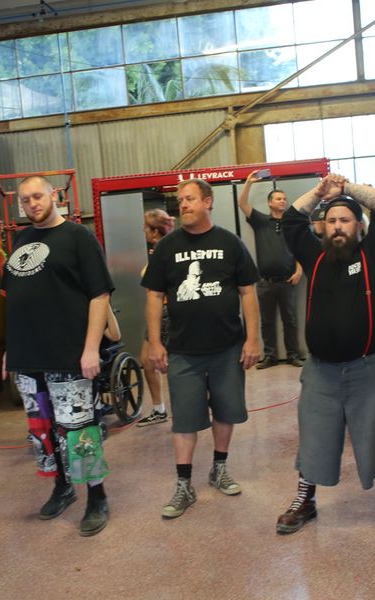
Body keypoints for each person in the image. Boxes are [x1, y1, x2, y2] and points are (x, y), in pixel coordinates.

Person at [276, 173, 375, 536]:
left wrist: (346, 190)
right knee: (314, 435)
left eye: (345, 219)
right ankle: (305, 500)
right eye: (331, 221)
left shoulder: (372, 254)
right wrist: (320, 192)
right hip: (321, 372)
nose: (337, 226)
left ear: (358, 226)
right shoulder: (314, 256)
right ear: (322, 227)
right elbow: (292, 219)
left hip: (369, 369)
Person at [2, 175, 115, 536]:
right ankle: (62, 487)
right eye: (25, 200)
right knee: (44, 430)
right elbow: (15, 299)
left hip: (68, 355)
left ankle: (96, 496)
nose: (32, 204)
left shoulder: (78, 237)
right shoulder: (22, 239)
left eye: (37, 196)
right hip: (28, 357)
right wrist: (10, 348)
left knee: (78, 429)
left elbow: (99, 295)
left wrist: (91, 348)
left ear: (54, 195)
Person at [142, 178, 260, 519]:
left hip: (227, 348)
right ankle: (184, 484)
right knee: (185, 420)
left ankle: (219, 468)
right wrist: (155, 342)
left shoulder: (230, 243)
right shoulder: (167, 247)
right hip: (183, 351)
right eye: (180, 200)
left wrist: (253, 339)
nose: (183, 205)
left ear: (208, 201)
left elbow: (247, 292)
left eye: (190, 199)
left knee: (226, 411)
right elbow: (154, 296)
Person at [238, 171, 304, 369]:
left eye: (284, 199)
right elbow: (242, 204)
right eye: (278, 198)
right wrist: (248, 183)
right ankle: (270, 356)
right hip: (265, 282)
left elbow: (300, 248)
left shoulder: (291, 224)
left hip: (287, 281)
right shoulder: (260, 221)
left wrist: (299, 271)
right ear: (269, 203)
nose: (283, 201)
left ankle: (293, 355)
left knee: (290, 320)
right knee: (267, 322)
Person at [137, 209, 175, 427]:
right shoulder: (162, 249)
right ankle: (160, 409)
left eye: (146, 227)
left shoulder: (163, 251)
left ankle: (173, 408)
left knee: (159, 361)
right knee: (149, 361)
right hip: (161, 312)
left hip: (164, 312)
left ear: (154, 231)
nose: (143, 230)